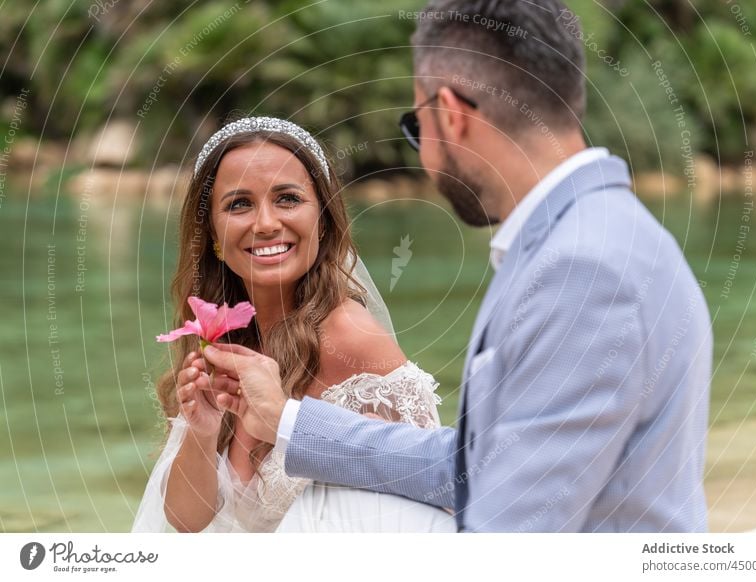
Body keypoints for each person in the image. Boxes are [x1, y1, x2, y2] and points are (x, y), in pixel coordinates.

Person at [204, 0, 712, 532]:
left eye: (415, 125)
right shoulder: (599, 234)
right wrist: (289, 422)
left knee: (328, 515)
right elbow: (481, 461)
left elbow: (509, 536)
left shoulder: (583, 272)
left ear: (449, 113)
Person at [131, 116, 455, 532]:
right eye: (238, 204)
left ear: (322, 218)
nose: (265, 223)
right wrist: (202, 433)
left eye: (287, 198)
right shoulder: (223, 335)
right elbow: (184, 521)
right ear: (212, 231)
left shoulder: (350, 339)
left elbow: (428, 511)